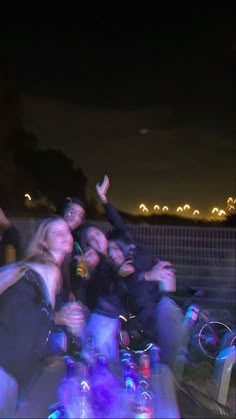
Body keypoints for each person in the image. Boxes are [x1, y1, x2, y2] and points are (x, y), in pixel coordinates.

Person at [0, 215, 84, 417]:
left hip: (14, 364)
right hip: (7, 362)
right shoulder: (48, 269)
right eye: (58, 233)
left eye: (67, 232)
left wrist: (59, 318)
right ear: (44, 242)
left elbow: (36, 314)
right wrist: (60, 318)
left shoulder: (46, 269)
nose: (66, 236)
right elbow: (24, 318)